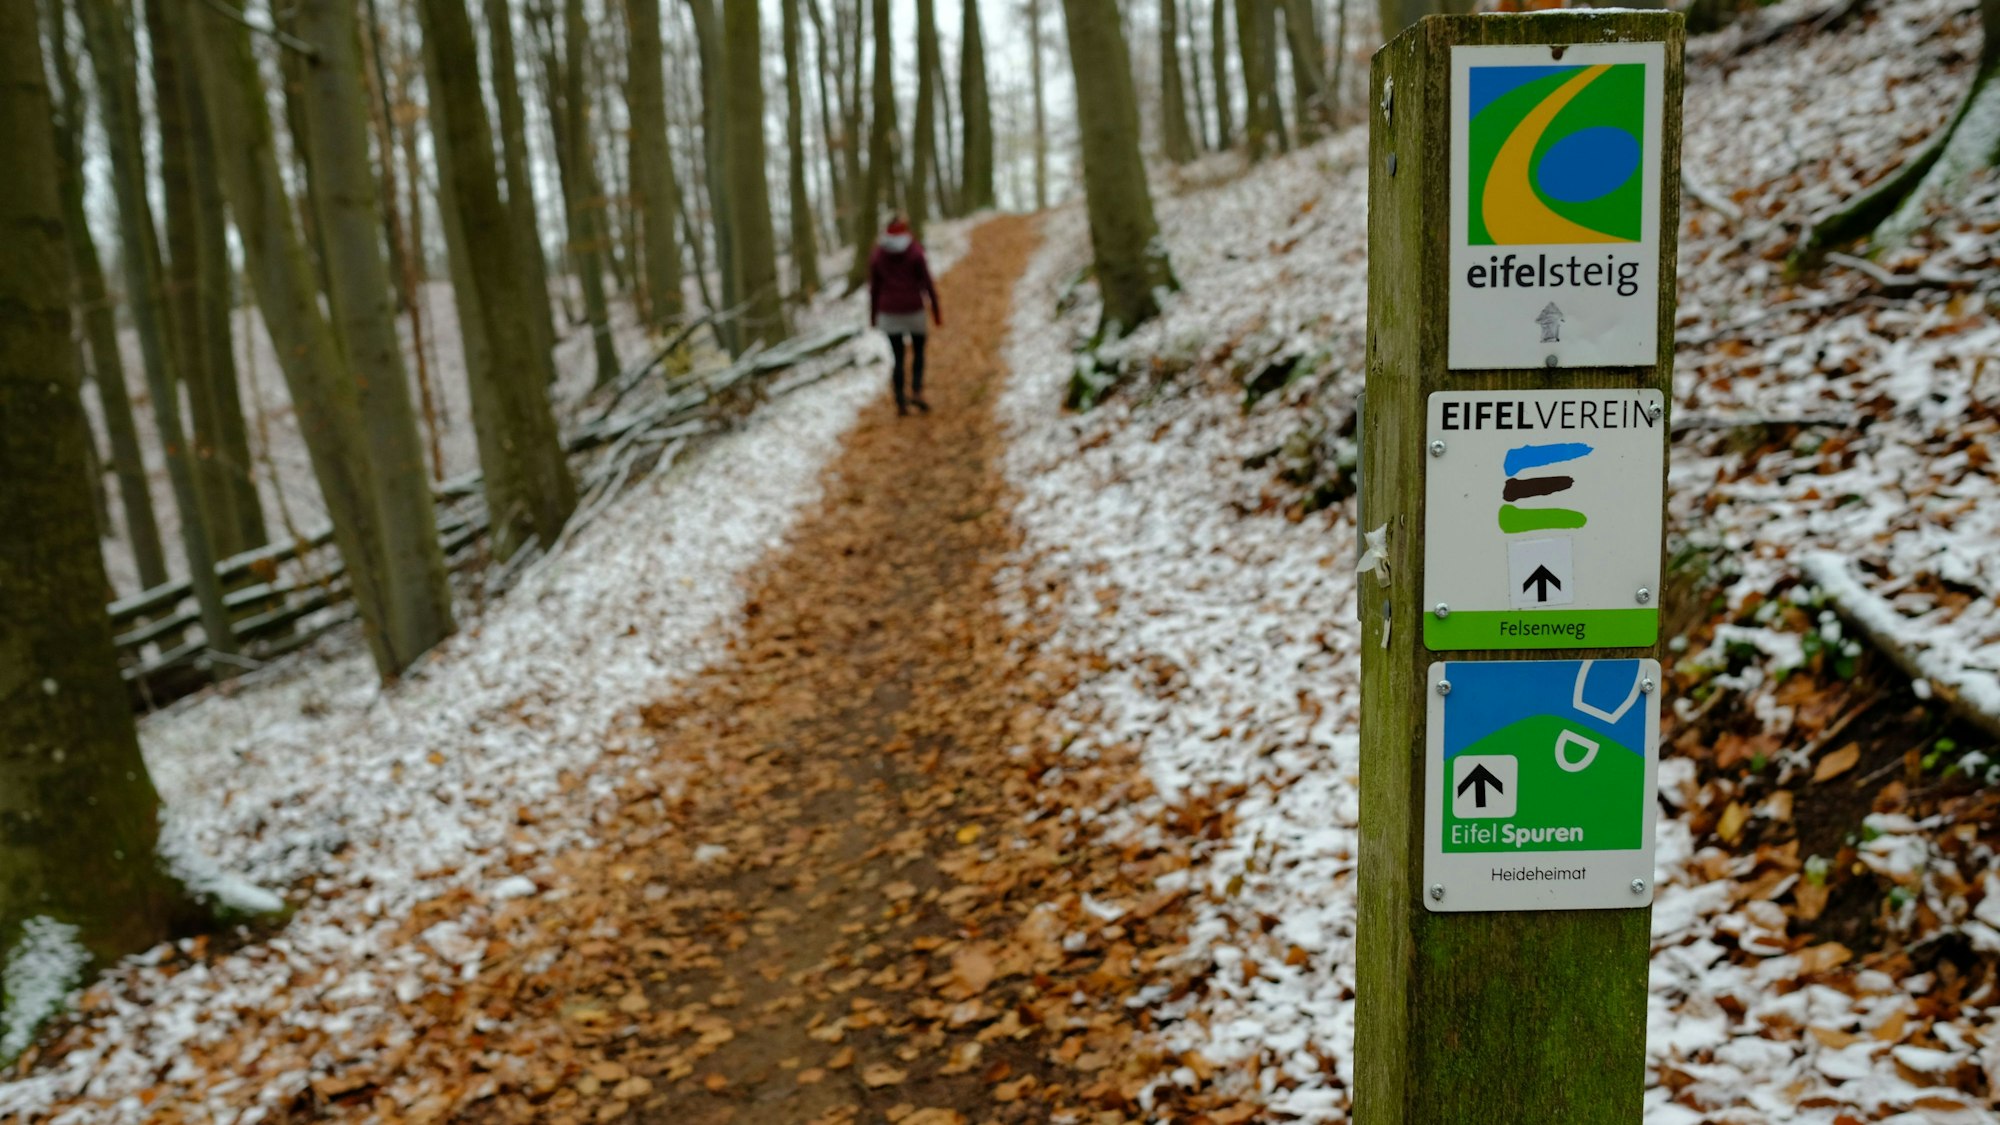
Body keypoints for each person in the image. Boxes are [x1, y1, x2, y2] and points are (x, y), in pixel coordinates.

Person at [868, 215, 942, 415]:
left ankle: (900, 400)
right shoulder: (915, 251)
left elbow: (874, 289)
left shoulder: (878, 255)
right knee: (919, 353)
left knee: (898, 357)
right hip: (913, 310)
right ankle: (917, 391)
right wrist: (936, 310)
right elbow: (927, 282)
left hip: (889, 312)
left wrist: (873, 315)